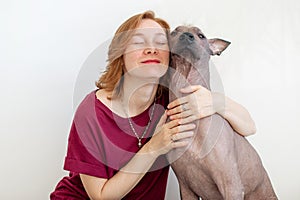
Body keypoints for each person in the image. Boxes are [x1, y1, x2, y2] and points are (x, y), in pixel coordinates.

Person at [50, 11, 256, 200]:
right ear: (120, 55)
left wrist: (215, 101)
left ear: (170, 55)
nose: (151, 49)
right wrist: (155, 146)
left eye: (160, 43)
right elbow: (101, 197)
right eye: (139, 43)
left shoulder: (172, 101)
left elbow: (249, 127)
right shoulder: (92, 111)